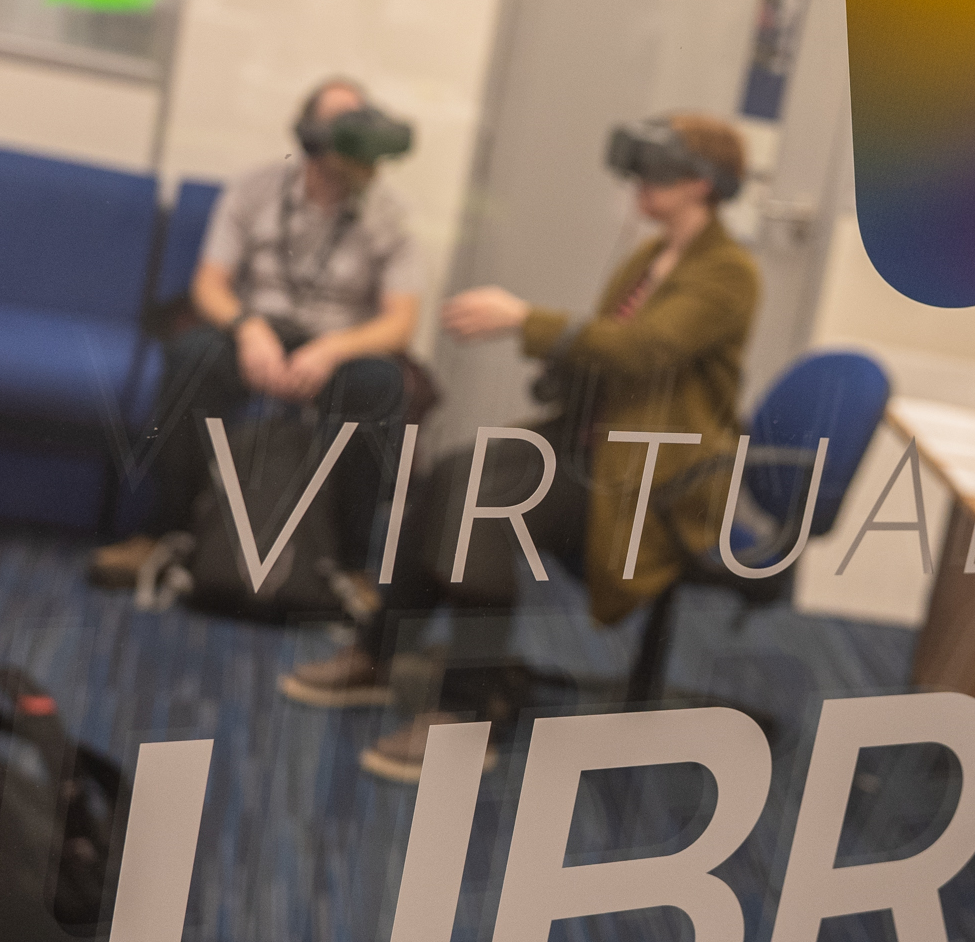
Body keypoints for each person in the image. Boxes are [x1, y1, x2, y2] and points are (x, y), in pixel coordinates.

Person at [282, 113, 759, 783]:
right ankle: (378, 652)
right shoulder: (650, 258)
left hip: (651, 474)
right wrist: (564, 358)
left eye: (659, 171)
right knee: (451, 474)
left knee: (485, 506)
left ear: (704, 184)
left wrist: (523, 320)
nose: (641, 185)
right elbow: (604, 348)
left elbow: (643, 349)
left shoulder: (730, 273)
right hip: (587, 441)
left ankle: (467, 712)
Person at [91, 77, 422, 590]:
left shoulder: (388, 213)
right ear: (310, 131)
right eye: (339, 121)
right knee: (192, 357)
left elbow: (401, 321)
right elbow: (209, 284)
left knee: (381, 386)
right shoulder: (254, 189)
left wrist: (334, 348)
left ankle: (350, 563)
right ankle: (161, 533)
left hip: (336, 345)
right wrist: (247, 328)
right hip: (257, 330)